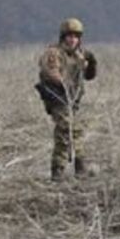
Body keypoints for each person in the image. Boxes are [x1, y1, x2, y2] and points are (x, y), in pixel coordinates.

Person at [36, 17, 97, 181]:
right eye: (69, 36)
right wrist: (63, 83)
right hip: (58, 98)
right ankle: (66, 170)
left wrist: (90, 63)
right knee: (69, 131)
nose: (72, 39)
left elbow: (89, 75)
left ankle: (68, 169)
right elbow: (51, 72)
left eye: (76, 36)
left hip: (73, 100)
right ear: (63, 37)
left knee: (69, 132)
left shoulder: (79, 54)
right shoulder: (54, 53)